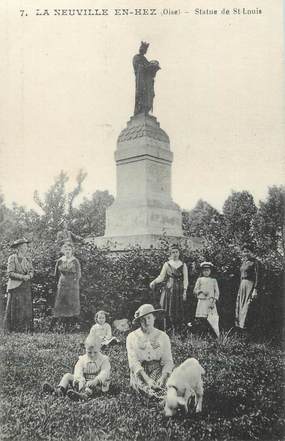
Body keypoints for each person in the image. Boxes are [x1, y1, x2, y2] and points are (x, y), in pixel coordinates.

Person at [42, 334, 111, 401]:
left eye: (95, 352)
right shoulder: (82, 359)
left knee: (90, 388)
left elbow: (105, 372)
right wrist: (80, 379)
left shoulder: (104, 360)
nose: (92, 355)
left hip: (97, 383)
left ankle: (83, 396)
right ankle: (59, 390)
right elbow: (78, 370)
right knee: (67, 376)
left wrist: (96, 380)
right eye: (89, 352)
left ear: (100, 348)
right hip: (82, 381)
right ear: (85, 349)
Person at [126, 304, 173, 400]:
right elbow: (133, 362)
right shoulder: (132, 337)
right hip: (141, 372)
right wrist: (148, 380)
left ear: (154, 317)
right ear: (139, 321)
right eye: (143, 319)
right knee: (149, 392)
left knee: (168, 388)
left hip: (158, 369)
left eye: (149, 318)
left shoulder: (163, 336)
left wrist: (163, 378)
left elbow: (168, 360)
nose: (147, 322)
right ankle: (155, 397)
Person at [149, 244, 188, 333]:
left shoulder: (183, 265)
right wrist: (154, 281)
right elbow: (161, 277)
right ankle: (167, 330)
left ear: (179, 253)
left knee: (178, 310)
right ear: (170, 253)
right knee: (167, 308)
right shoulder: (167, 264)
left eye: (176, 252)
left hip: (179, 289)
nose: (175, 254)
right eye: (173, 252)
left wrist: (185, 291)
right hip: (169, 289)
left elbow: (186, 279)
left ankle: (178, 331)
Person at [4, 238, 34, 332]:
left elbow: (31, 271)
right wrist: (22, 277)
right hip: (15, 286)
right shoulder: (12, 258)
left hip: (25, 286)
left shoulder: (28, 259)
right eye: (24, 246)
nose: (26, 248)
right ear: (19, 247)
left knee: (25, 307)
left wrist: (29, 276)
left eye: (26, 246)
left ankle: (25, 329)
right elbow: (10, 273)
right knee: (14, 307)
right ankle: (13, 329)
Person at [51, 241, 81, 331]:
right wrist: (58, 283)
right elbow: (55, 274)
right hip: (62, 284)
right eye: (66, 249)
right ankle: (54, 326)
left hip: (72, 285)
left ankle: (70, 327)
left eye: (69, 249)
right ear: (63, 251)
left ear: (72, 251)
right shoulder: (60, 260)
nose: (67, 251)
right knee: (59, 304)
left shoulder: (75, 261)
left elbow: (78, 275)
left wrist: (74, 284)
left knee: (71, 304)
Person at [189, 262, 220, 337]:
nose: (206, 272)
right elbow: (195, 290)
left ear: (210, 271)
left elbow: (217, 292)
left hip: (210, 302)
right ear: (202, 271)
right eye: (204, 270)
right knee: (201, 319)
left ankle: (212, 334)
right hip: (202, 301)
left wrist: (214, 301)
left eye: (208, 270)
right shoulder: (200, 280)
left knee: (211, 319)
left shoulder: (213, 280)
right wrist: (201, 291)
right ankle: (202, 334)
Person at [235, 244, 260, 330]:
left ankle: (246, 328)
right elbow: (241, 275)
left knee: (247, 306)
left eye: (248, 251)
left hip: (250, 285)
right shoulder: (244, 262)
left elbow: (257, 276)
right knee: (240, 305)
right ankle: (240, 327)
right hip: (242, 284)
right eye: (244, 252)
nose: (246, 253)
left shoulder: (255, 262)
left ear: (252, 252)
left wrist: (255, 289)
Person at [133, 41, 161, 115]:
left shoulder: (145, 60)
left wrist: (153, 69)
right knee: (142, 95)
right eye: (142, 48)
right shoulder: (136, 57)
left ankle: (145, 110)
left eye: (145, 49)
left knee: (149, 96)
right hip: (141, 81)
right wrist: (146, 67)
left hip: (148, 83)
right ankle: (141, 110)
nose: (143, 50)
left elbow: (151, 73)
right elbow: (137, 68)